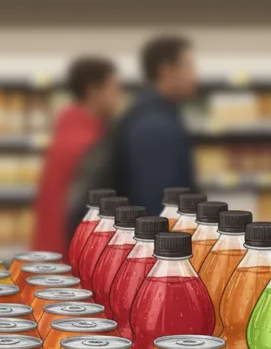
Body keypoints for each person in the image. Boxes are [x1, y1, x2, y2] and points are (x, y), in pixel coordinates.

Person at [33, 55, 120, 255]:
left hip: (48, 251)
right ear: (94, 91)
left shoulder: (65, 131)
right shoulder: (89, 143)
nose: (118, 97)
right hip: (69, 255)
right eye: (113, 89)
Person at [114, 35, 198, 215]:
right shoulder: (155, 125)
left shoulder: (153, 113)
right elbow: (158, 202)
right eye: (188, 67)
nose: (195, 76)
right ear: (166, 70)